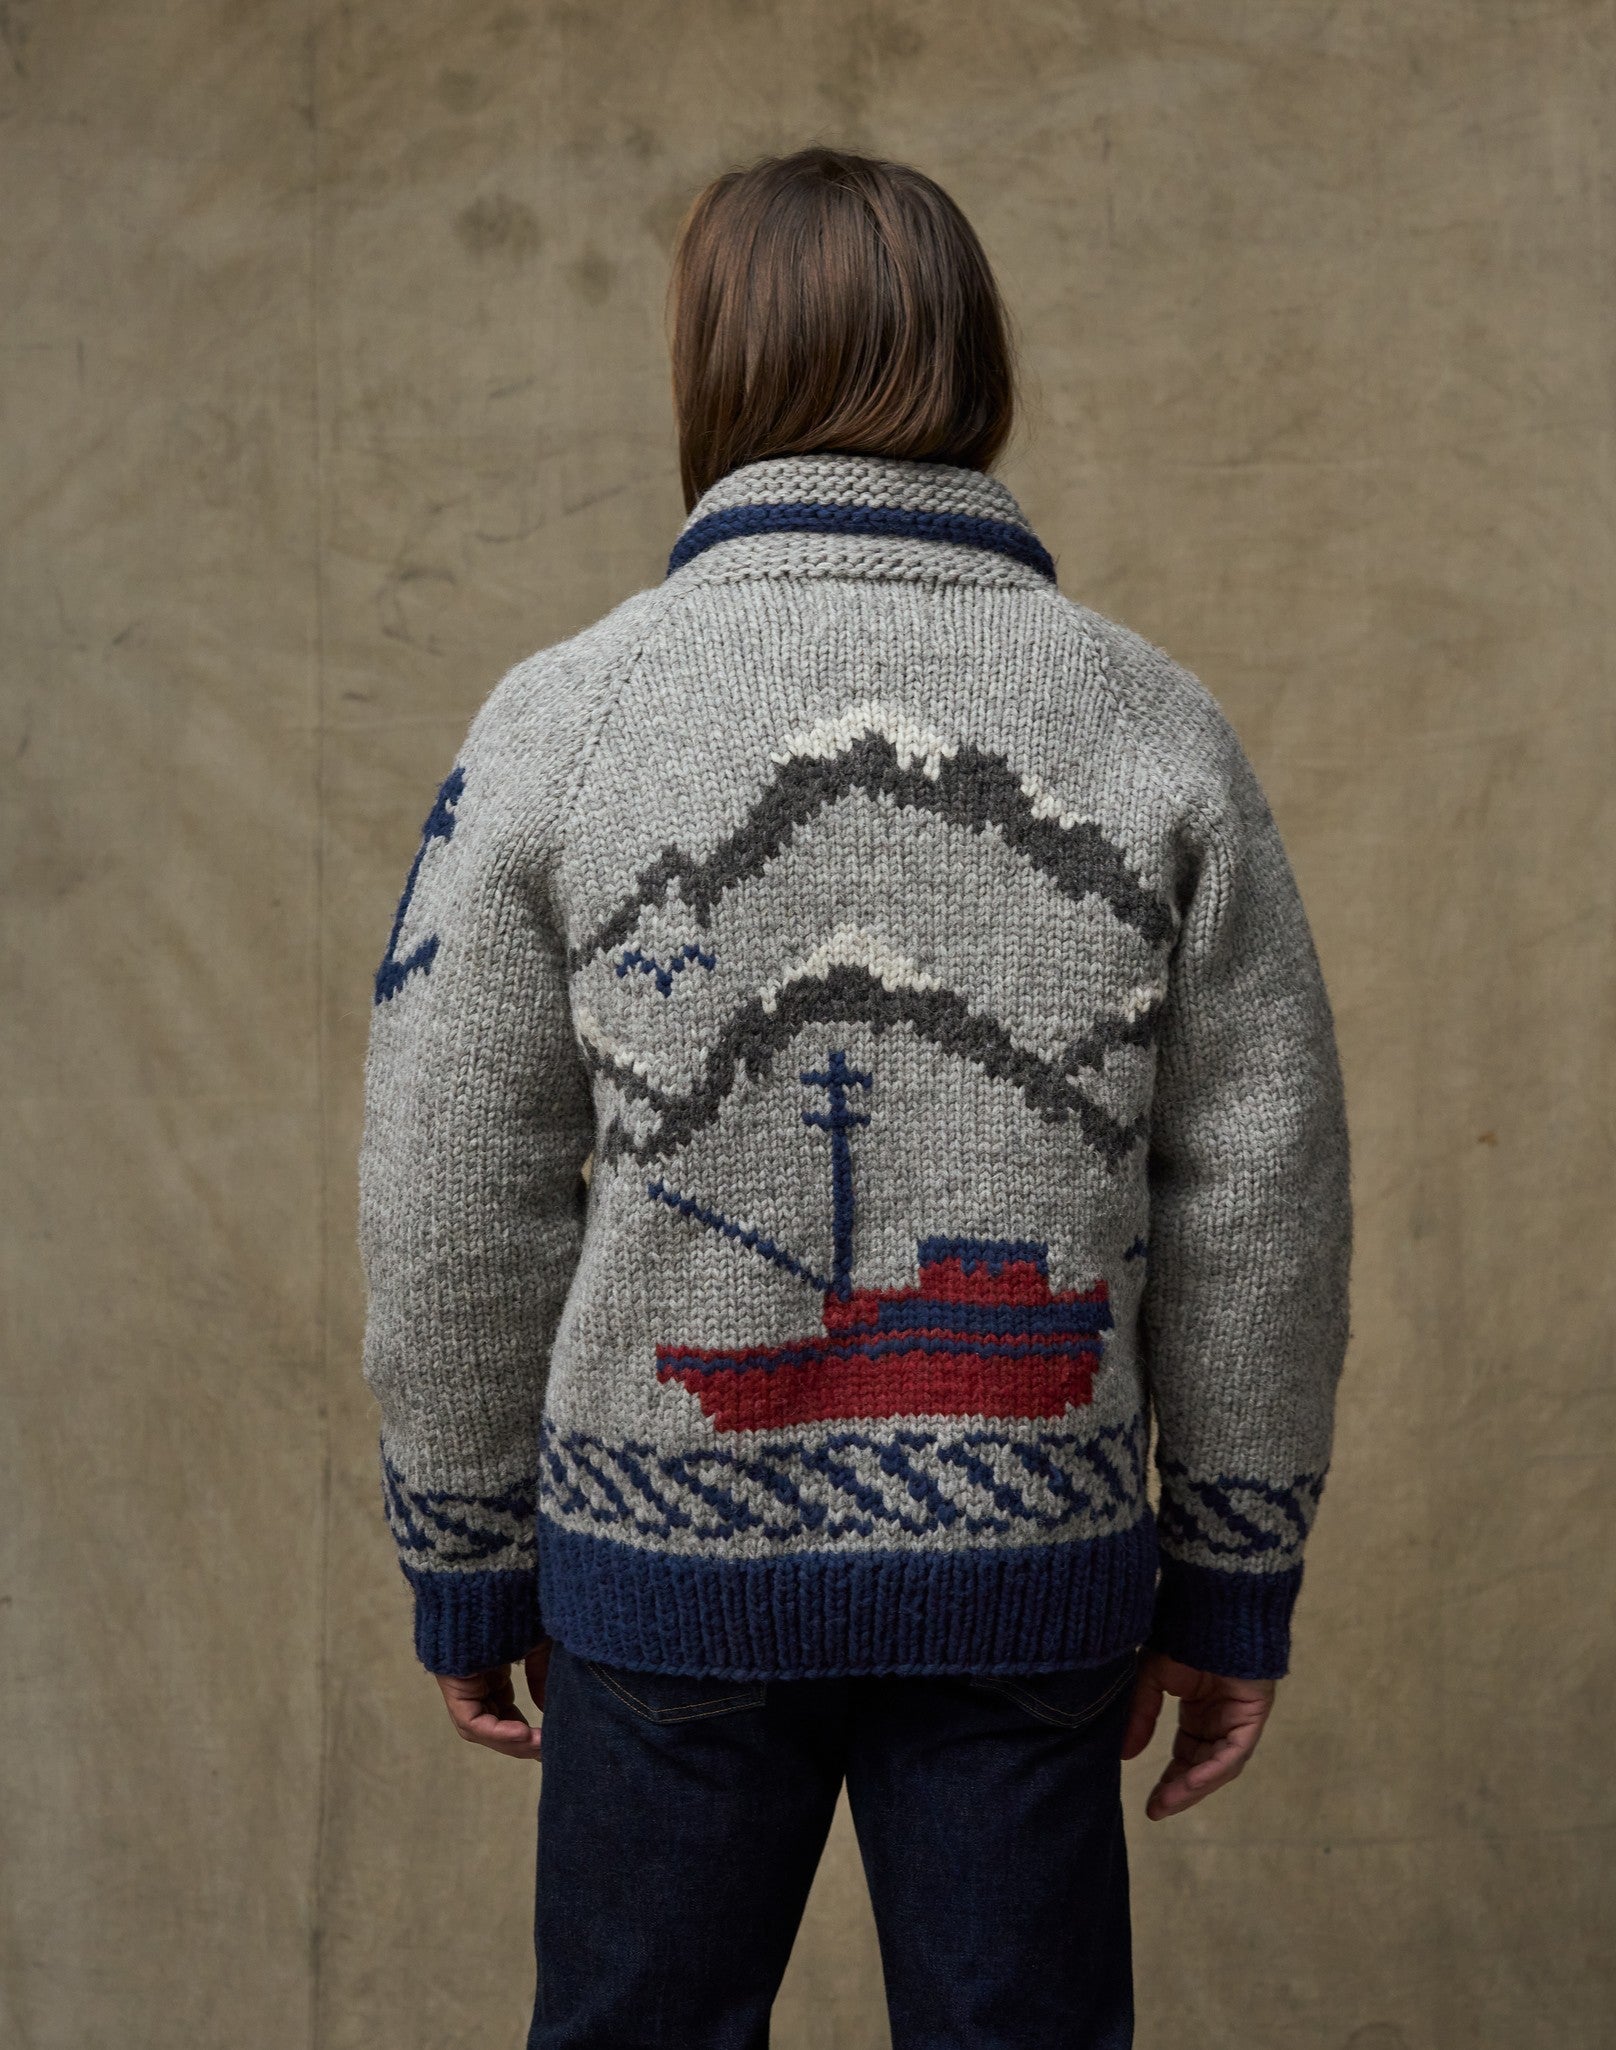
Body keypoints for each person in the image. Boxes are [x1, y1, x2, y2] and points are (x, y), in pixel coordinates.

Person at [358, 146, 1351, 2050]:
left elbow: (450, 1178)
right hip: (1031, 1573)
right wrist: (1231, 1568)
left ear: (707, 370)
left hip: (659, 1583)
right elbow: (1260, 1186)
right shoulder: (1152, 718)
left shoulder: (558, 720)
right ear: (975, 364)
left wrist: (470, 1549)